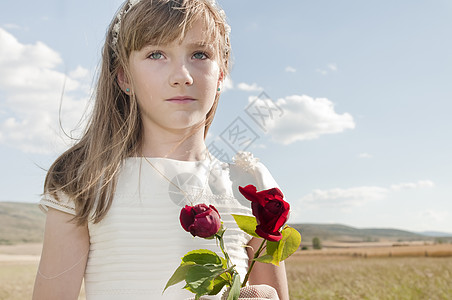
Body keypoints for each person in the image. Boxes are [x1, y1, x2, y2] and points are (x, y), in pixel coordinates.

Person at [32, 0, 290, 299]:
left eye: (199, 54)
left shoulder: (251, 185)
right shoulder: (84, 179)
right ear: (124, 77)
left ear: (221, 74)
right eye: (156, 54)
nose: (182, 75)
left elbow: (272, 294)